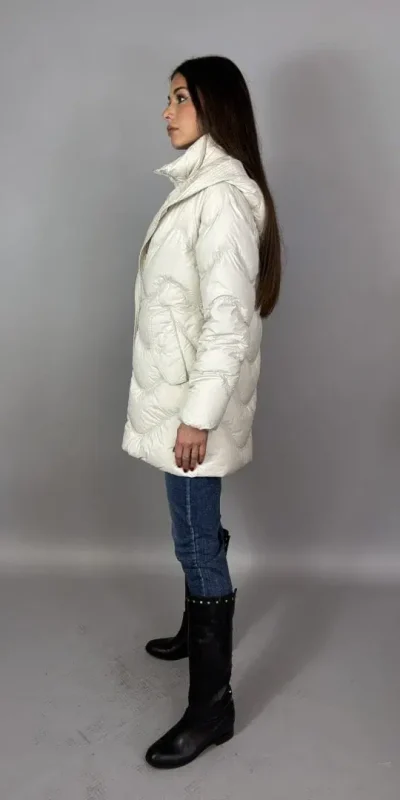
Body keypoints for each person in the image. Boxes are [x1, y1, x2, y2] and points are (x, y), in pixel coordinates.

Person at [122, 55, 281, 769]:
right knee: (191, 529)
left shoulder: (220, 197)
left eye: (180, 98)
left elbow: (228, 321)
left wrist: (198, 415)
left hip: (193, 407)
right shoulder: (199, 186)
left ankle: (212, 707)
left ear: (214, 106)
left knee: (194, 542)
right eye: (168, 98)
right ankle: (195, 630)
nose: (167, 111)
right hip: (179, 397)